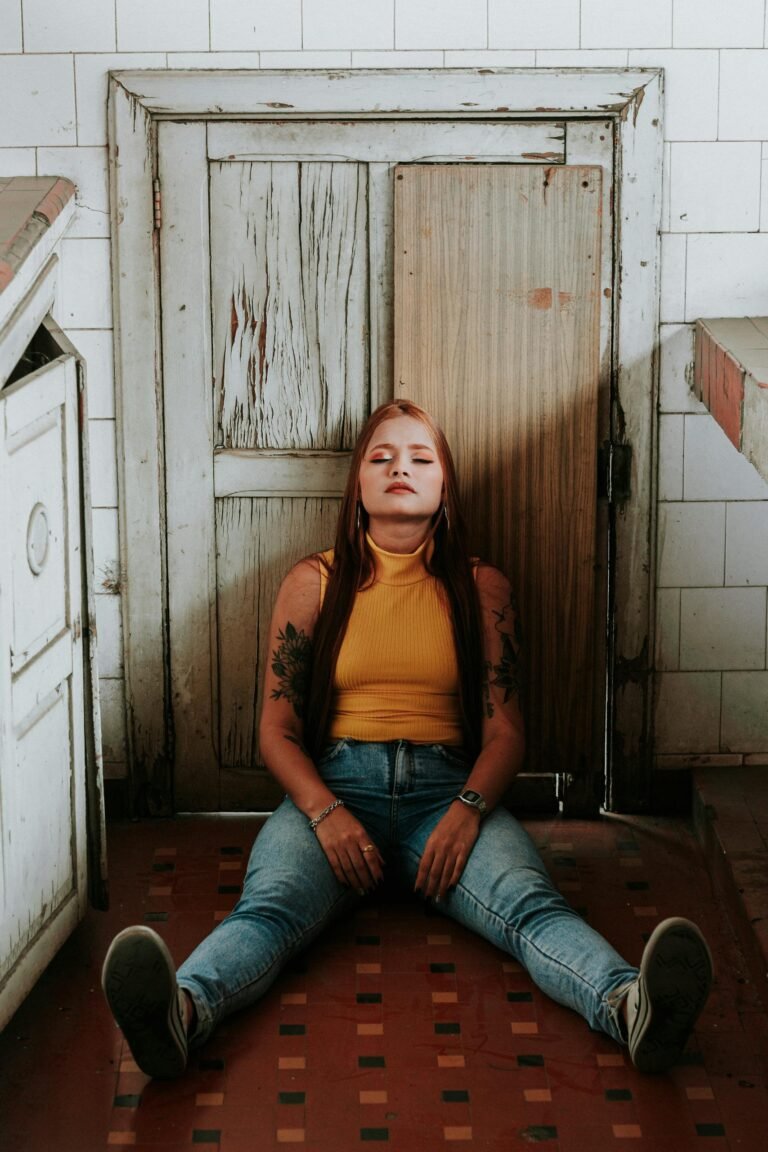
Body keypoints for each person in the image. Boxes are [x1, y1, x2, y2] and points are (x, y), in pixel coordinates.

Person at [102, 400, 713, 1079]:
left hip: (449, 790)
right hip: (336, 787)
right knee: (267, 911)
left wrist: (468, 812)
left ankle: (632, 1010)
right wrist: (325, 815)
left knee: (530, 907)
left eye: (422, 459)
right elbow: (275, 730)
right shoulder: (314, 583)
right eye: (381, 456)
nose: (401, 468)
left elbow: (506, 731)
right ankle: (179, 1016)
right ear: (357, 484)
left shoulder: (482, 588)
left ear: (445, 483)